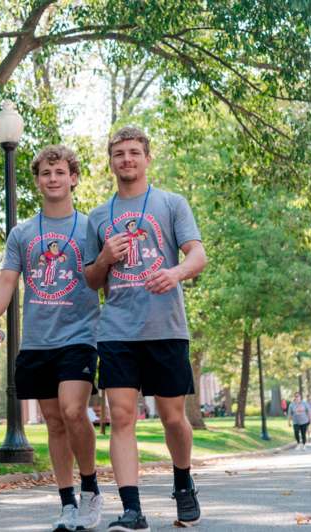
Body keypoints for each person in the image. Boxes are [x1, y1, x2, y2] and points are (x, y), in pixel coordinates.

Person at [84, 126, 207, 531]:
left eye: (134, 152)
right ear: (111, 161)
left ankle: (182, 478)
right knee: (121, 417)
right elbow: (91, 280)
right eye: (119, 154)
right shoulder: (100, 217)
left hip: (165, 327)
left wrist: (174, 273)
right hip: (117, 330)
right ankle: (133, 510)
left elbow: (197, 254)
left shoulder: (171, 204)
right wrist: (103, 257)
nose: (127, 160)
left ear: (147, 158)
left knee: (173, 417)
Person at [0, 145, 103, 532]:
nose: (53, 178)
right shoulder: (23, 233)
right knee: (53, 422)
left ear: (74, 178)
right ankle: (67, 503)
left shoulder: (90, 227)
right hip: (37, 340)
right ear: (37, 181)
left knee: (72, 411)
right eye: (46, 173)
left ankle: (91, 489)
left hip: (81, 334)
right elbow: (5, 283)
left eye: (60, 172)